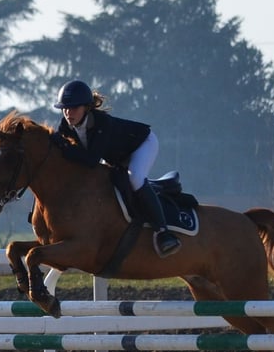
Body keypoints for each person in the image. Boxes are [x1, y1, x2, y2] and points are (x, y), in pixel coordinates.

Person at [54, 79, 181, 258]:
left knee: (134, 178)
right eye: (64, 108)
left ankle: (163, 232)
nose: (68, 113)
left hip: (142, 143)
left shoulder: (101, 123)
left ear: (87, 107)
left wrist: (65, 148)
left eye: (73, 108)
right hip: (116, 155)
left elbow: (91, 160)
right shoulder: (65, 126)